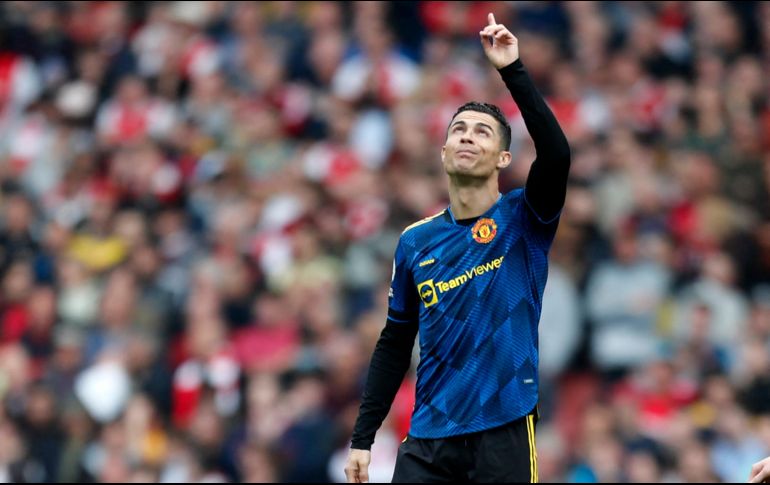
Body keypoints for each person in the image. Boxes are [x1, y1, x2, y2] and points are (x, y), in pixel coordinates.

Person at [344, 13, 570, 483]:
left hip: (503, 425)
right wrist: (364, 437)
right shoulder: (415, 241)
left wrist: (512, 70)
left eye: (482, 131)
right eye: (459, 129)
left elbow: (556, 154)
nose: (468, 135)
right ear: (444, 151)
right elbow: (394, 342)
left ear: (503, 158)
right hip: (429, 435)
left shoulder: (522, 218)